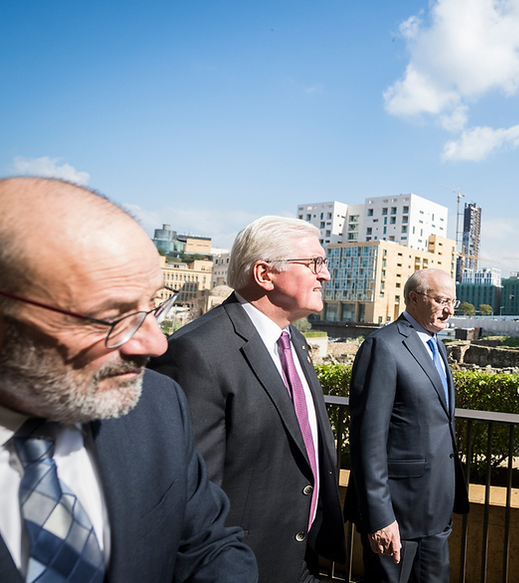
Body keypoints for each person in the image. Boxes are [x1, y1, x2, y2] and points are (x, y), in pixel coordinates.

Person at [0, 177, 258, 582]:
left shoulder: (157, 405)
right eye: (112, 318)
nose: (156, 345)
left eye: (153, 305)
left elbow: (208, 548)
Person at [151, 215, 345, 582]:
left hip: (303, 559)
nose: (325, 275)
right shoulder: (197, 352)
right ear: (265, 274)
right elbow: (195, 494)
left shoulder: (295, 343)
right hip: (244, 567)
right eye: (314, 264)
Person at [346, 268, 470, 583]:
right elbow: (367, 440)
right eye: (442, 300)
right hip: (397, 515)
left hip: (436, 513)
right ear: (414, 299)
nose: (449, 310)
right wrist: (380, 518)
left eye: (453, 301)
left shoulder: (436, 344)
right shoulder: (383, 346)